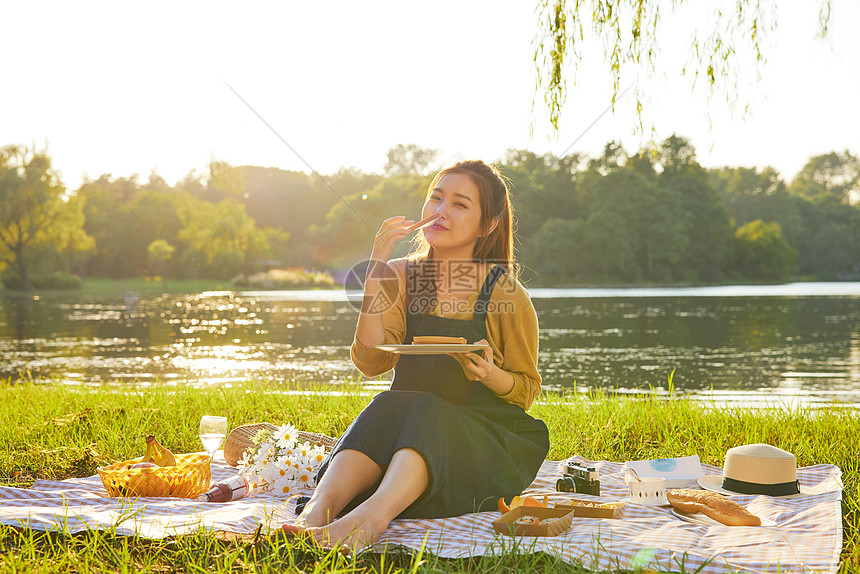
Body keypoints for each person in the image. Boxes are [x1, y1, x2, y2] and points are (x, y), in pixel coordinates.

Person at [287, 160, 549, 549]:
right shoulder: (400, 276)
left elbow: (526, 390)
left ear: (487, 225)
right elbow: (371, 362)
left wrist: (491, 375)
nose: (441, 211)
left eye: (460, 204)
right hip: (407, 432)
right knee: (385, 404)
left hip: (484, 437)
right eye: (436, 198)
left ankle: (373, 517)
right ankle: (316, 512)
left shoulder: (503, 291)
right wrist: (376, 270)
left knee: (429, 410)